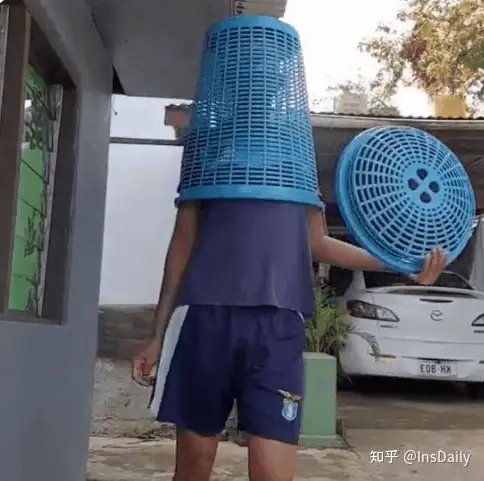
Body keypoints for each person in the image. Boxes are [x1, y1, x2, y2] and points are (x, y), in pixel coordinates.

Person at [132, 197, 446, 481]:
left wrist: (400, 263)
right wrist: (157, 336)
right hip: (205, 319)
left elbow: (318, 243)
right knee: (194, 466)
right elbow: (181, 250)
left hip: (279, 325)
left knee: (272, 471)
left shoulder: (298, 168)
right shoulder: (208, 161)